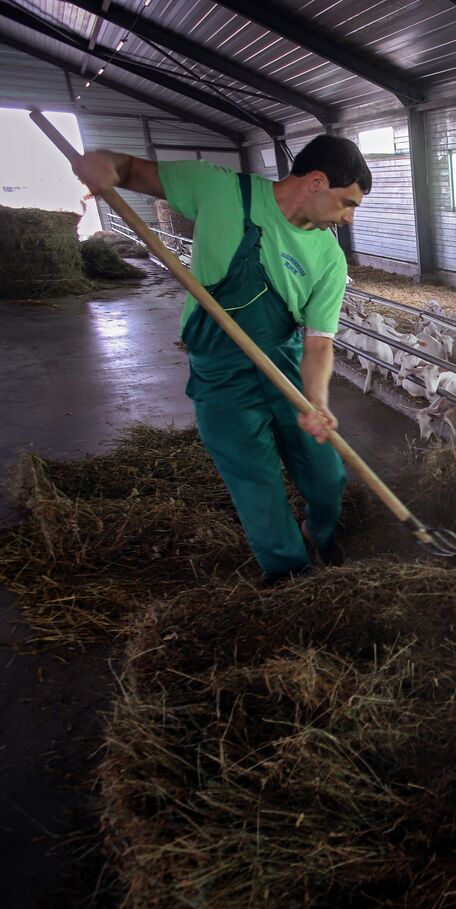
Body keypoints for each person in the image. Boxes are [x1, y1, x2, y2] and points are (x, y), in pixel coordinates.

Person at [70, 137, 371, 586]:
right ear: (316, 181)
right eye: (347, 203)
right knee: (255, 479)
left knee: (327, 474)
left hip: (285, 362)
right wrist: (103, 164)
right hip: (219, 369)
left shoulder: (329, 257)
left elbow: (319, 343)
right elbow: (131, 169)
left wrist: (317, 402)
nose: (348, 217)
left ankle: (319, 529)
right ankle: (289, 573)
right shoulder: (220, 188)